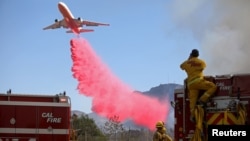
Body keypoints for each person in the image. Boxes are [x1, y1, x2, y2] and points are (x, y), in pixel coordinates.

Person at [180, 49, 217, 122]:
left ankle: (193, 116)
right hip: (199, 82)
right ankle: (202, 100)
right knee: (213, 87)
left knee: (192, 103)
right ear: (198, 55)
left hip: (190, 85)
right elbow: (203, 67)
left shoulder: (186, 63)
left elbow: (181, 66)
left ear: (191, 54)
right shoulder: (201, 62)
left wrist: (189, 59)